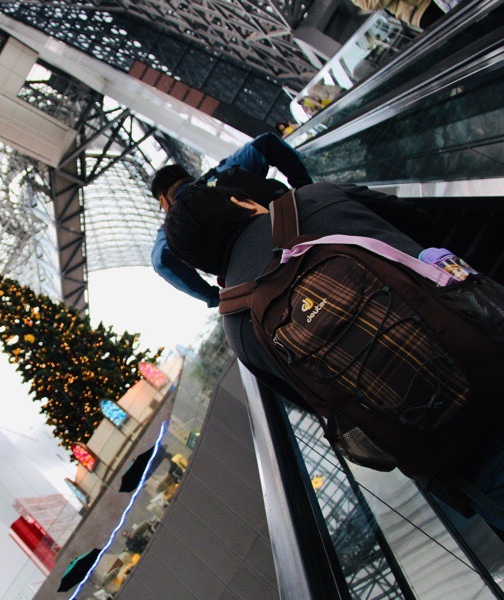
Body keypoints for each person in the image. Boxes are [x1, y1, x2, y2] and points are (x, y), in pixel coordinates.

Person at [162, 182, 503, 532]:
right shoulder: (312, 200)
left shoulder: (238, 326)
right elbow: (418, 222)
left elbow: (316, 401)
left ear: (203, 266)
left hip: (451, 453)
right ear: (238, 200)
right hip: (486, 348)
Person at [150, 133, 313, 307]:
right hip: (305, 229)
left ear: (164, 201)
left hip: (267, 281)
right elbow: (267, 142)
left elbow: (160, 261)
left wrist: (213, 297)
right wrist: (306, 188)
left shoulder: (175, 227)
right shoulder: (222, 172)